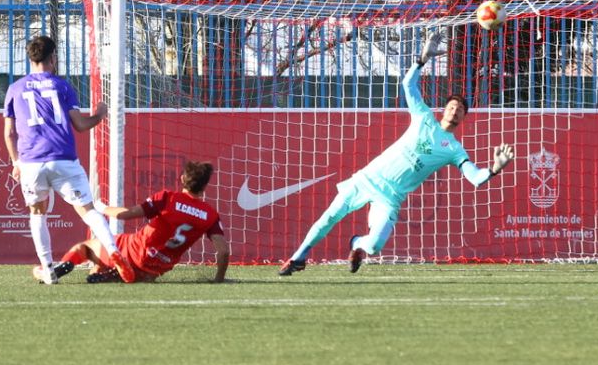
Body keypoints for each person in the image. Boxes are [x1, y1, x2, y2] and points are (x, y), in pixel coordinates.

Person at [278, 30, 515, 275]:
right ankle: (298, 258)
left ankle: (357, 243)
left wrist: (494, 169)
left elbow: (474, 178)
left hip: (390, 198)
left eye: (460, 109)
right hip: (367, 178)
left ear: (464, 117)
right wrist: (422, 60)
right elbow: (408, 84)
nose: (455, 111)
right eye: (452, 106)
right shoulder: (423, 117)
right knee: (329, 218)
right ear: (444, 109)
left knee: (374, 246)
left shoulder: (454, 149)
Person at [3, 34, 120, 284]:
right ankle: (114, 253)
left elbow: (9, 133)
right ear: (53, 58)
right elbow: (80, 125)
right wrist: (100, 115)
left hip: (31, 162)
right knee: (88, 210)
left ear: (30, 59)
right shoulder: (62, 86)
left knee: (37, 213)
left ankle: (48, 270)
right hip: (63, 159)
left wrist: (16, 162)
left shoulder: (15, 88)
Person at [47, 160, 230, 284]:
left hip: (134, 249)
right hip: (154, 269)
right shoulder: (210, 215)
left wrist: (101, 208)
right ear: (205, 186)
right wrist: (219, 279)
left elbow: (125, 214)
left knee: (85, 248)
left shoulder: (167, 198)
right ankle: (113, 273)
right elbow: (223, 251)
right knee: (100, 268)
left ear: (182, 179)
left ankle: (56, 271)